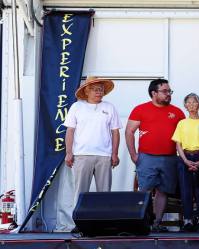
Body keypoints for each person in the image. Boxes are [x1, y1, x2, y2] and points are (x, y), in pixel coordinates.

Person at [56, 77, 121, 233]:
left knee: (104, 192)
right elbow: (70, 131)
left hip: (104, 156)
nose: (99, 92)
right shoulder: (77, 107)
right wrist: (69, 152)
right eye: (95, 89)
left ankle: (103, 224)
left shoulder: (109, 107)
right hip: (82, 155)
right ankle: (78, 224)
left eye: (101, 89)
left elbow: (115, 132)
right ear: (86, 91)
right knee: (80, 192)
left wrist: (114, 153)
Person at [126, 79, 185, 232]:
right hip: (146, 157)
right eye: (165, 91)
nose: (168, 94)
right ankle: (141, 223)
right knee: (144, 190)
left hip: (170, 158)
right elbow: (129, 132)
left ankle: (157, 224)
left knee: (163, 191)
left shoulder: (178, 112)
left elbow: (184, 136)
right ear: (154, 93)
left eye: (169, 91)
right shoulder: (140, 109)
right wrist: (133, 154)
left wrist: (183, 157)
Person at [172, 93, 199, 232]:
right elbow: (178, 143)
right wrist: (185, 160)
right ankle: (187, 220)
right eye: (189, 103)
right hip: (185, 157)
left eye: (194, 102)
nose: (192, 105)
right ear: (185, 106)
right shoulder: (182, 123)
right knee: (186, 190)